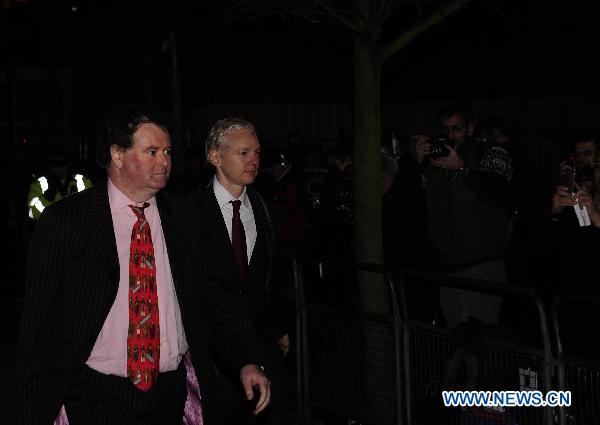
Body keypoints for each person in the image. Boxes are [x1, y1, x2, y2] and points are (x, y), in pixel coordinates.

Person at [16, 109, 271, 425]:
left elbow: (216, 297)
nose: (164, 161)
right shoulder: (67, 222)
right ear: (118, 155)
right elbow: (38, 329)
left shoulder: (184, 218)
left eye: (167, 152)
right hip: (94, 394)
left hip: (169, 395)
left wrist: (245, 360)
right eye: (152, 152)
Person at [191, 118, 290, 425]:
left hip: (263, 348)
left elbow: (271, 277)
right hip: (212, 356)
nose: (255, 160)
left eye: (257, 152)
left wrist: (279, 325)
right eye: (244, 152)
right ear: (215, 157)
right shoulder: (189, 212)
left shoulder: (265, 209)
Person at [411, 104, 513, 328]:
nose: (450, 135)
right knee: (458, 338)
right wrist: (417, 161)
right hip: (447, 265)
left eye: (457, 127)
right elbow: (413, 202)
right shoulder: (434, 162)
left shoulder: (489, 152)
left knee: (481, 337)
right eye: (445, 129)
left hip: (482, 263)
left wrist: (462, 168)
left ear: (470, 128)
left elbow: (499, 192)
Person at [26, 147, 93, 221]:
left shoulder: (83, 181)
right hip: (51, 229)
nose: (59, 168)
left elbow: (92, 210)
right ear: (49, 165)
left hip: (77, 230)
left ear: (69, 164)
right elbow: (32, 213)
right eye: (55, 164)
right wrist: (47, 199)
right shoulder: (39, 184)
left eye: (62, 163)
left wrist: (76, 201)